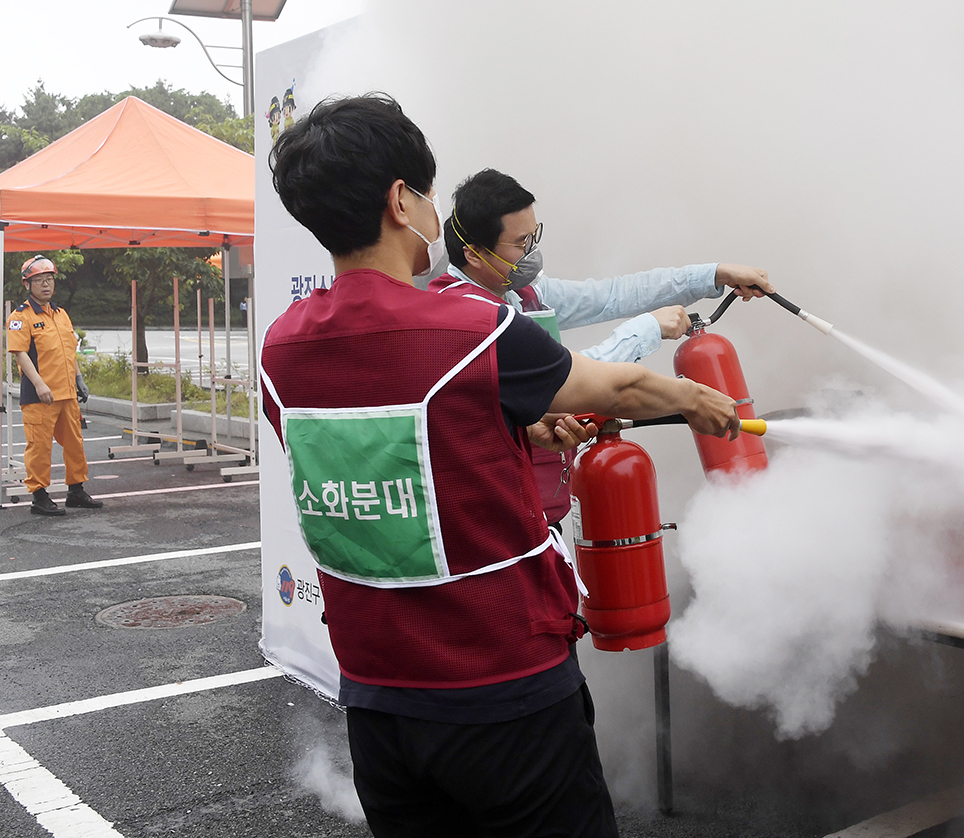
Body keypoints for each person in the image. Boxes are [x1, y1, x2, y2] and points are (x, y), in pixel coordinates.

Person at [261, 93, 738, 838]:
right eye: (423, 194)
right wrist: (697, 400)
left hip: (377, 697)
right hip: (503, 690)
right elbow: (615, 384)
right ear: (400, 201)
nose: (429, 213)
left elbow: (409, 449)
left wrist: (524, 431)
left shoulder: (282, 348)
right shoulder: (470, 326)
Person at [430, 167, 773, 526]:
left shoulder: (520, 292)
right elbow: (567, 380)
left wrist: (713, 274)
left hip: (540, 517)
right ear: (474, 254)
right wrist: (647, 330)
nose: (532, 253)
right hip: (498, 524)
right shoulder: (468, 318)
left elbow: (612, 295)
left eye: (535, 237)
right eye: (521, 244)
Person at [7, 255, 102, 517]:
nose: (46, 285)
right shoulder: (20, 316)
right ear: (28, 284)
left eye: (49, 279)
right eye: (39, 281)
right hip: (40, 395)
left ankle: (76, 490)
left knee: (74, 443)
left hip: (67, 393)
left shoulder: (61, 315)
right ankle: (39, 496)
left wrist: (78, 378)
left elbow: (69, 351)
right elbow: (20, 353)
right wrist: (39, 384)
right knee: (39, 446)